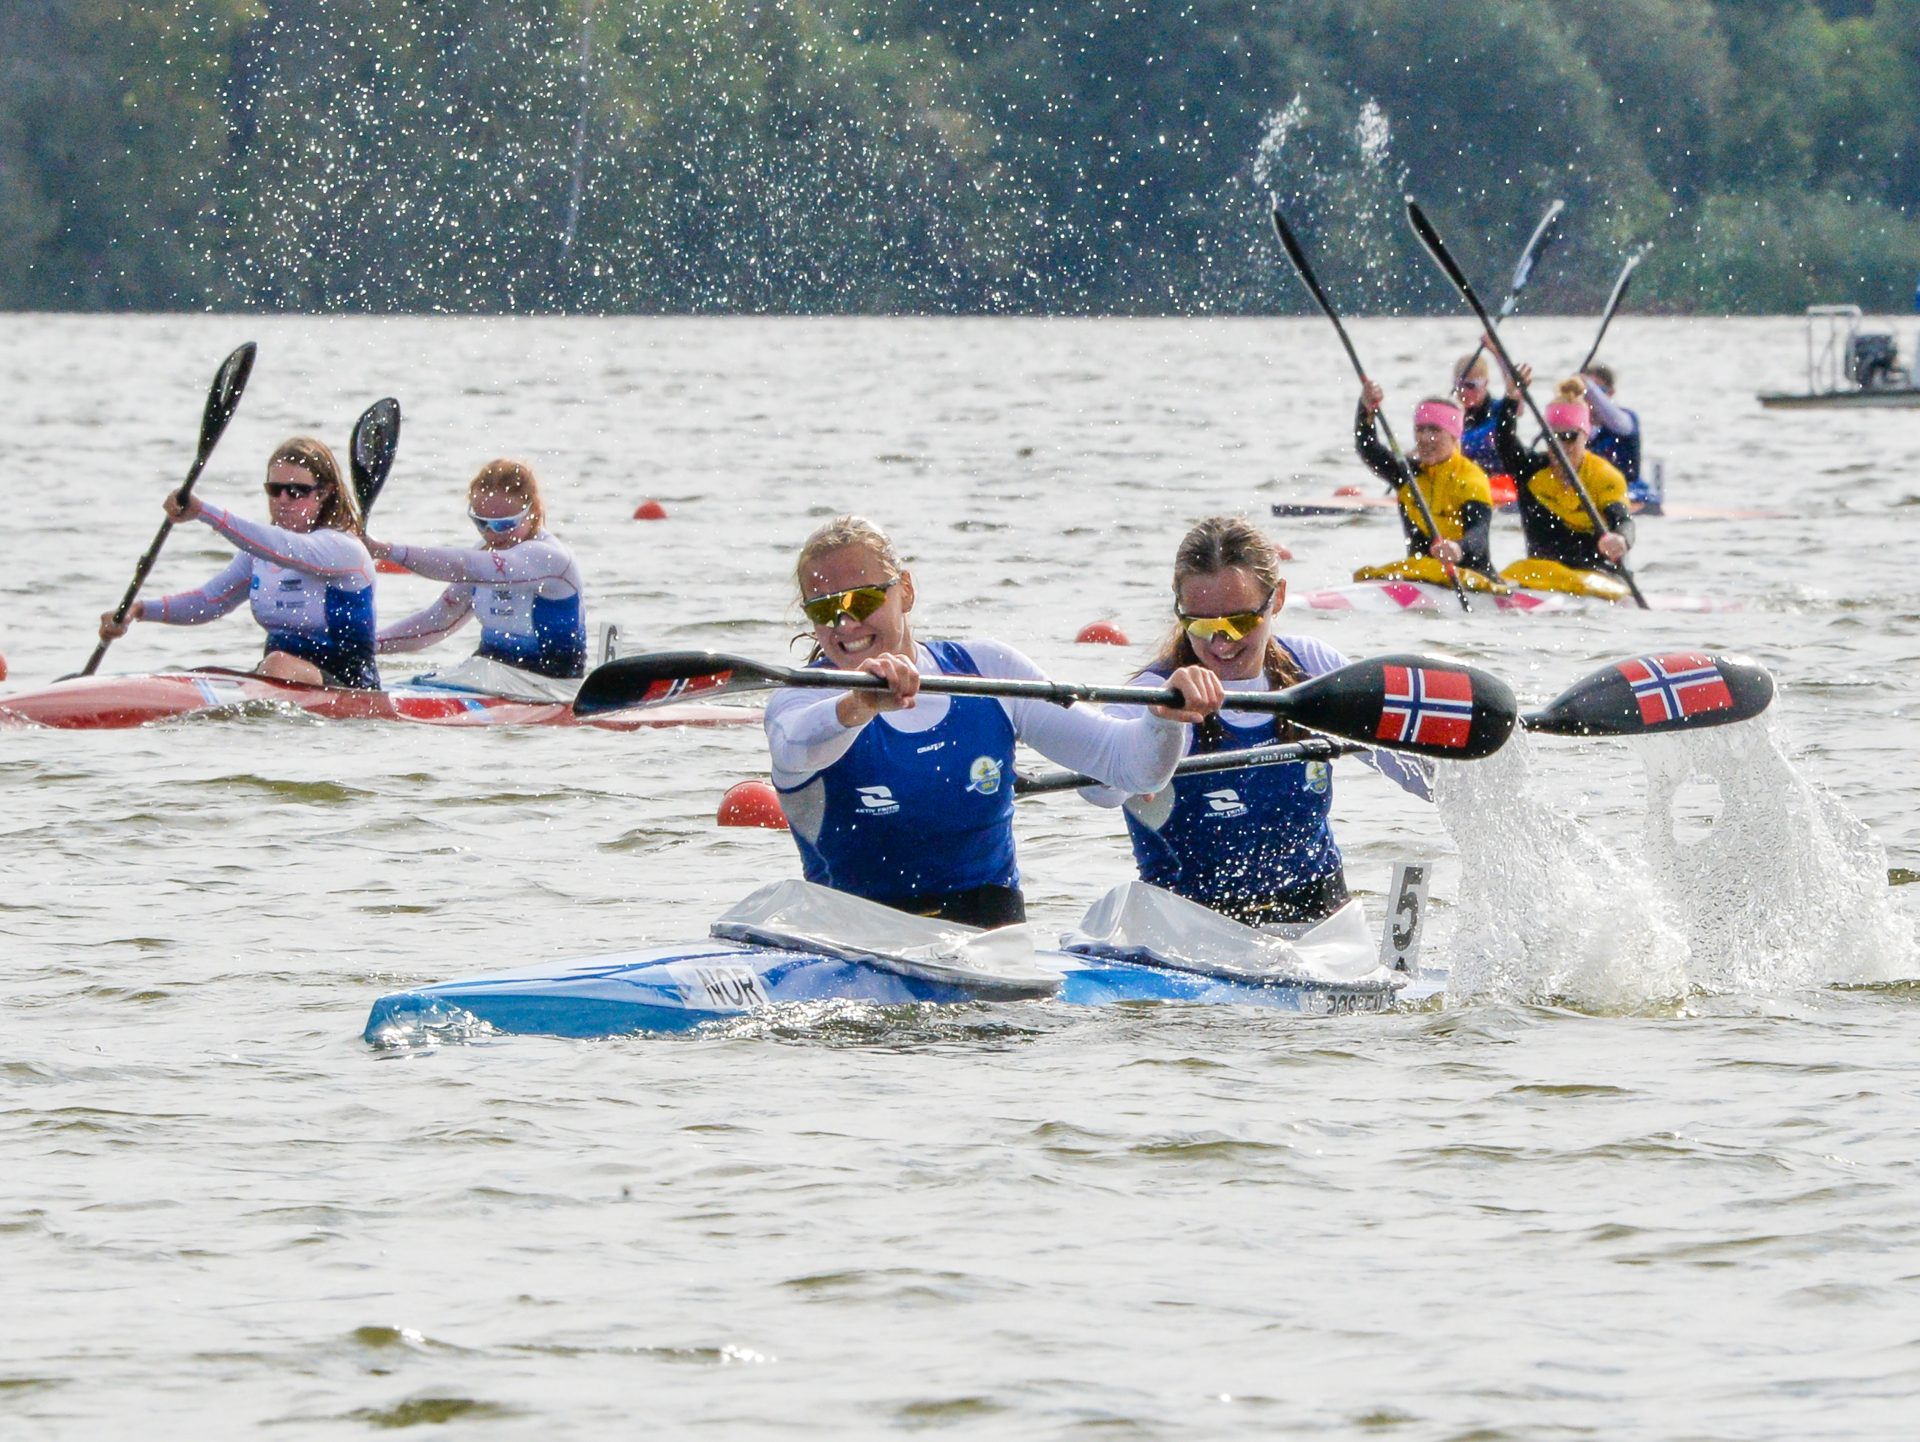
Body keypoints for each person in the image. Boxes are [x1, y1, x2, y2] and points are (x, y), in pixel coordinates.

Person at [766, 515, 1224, 929]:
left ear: (905, 590)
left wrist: (1163, 719)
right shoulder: (798, 702)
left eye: (861, 599)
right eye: (824, 609)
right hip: (852, 941)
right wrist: (858, 705)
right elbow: (796, 749)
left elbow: (1129, 768)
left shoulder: (987, 669)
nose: (844, 622)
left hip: (988, 944)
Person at [1082, 517, 1431, 927]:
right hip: (1192, 926)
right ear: (1179, 610)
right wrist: (1157, 726)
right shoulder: (1153, 695)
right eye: (1201, 624)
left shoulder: (1313, 667)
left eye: (1240, 622)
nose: (1221, 642)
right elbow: (1097, 791)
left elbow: (1414, 772)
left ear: (1277, 599)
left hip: (1321, 916)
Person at [98, 437, 378, 688]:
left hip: (349, 686)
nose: (282, 500)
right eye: (275, 489)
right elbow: (209, 601)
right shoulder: (258, 555)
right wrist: (139, 610)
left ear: (324, 493)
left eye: (296, 491)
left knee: (278, 663)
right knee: (210, 671)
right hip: (278, 676)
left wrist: (203, 512)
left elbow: (282, 548)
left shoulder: (343, 549)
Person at [371, 460, 586, 679]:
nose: (492, 534)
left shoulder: (549, 557)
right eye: (482, 523)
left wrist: (386, 550)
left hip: (551, 683)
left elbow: (462, 565)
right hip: (489, 677)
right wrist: (371, 644)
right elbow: (437, 622)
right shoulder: (482, 556)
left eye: (504, 524)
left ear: (534, 511)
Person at [1491, 374, 1636, 598]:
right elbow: (1504, 441)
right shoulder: (1531, 471)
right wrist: (1510, 400)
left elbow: (1623, 520)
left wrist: (1621, 539)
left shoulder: (1605, 476)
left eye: (1569, 437)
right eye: (1552, 437)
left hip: (1598, 577)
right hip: (1544, 576)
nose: (1560, 446)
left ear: (1585, 435)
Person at [1352, 384, 1499, 589]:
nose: (1424, 438)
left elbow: (1479, 535)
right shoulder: (1408, 475)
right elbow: (1367, 447)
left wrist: (1457, 548)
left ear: (1454, 436)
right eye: (1420, 429)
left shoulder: (1472, 479)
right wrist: (1365, 411)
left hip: (1471, 578)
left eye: (1435, 430)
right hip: (1422, 575)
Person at [1579, 364, 1654, 508]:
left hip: (1628, 491)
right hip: (1590, 493)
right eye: (1583, 394)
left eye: (1596, 392)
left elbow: (1615, 420)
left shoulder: (1626, 420)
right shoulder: (1576, 429)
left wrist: (1587, 384)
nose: (1588, 399)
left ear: (1611, 393)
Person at [1454, 350, 1520, 477]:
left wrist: (1497, 352)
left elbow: (1516, 397)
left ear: (1485, 383)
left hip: (1497, 479)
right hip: (1463, 478)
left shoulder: (1499, 410)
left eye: (1470, 385)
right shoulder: (1450, 415)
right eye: (1459, 385)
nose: (1463, 392)